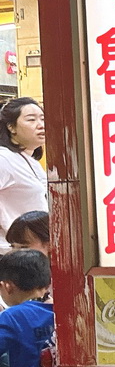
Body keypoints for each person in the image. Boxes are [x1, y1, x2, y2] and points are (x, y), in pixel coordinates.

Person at [0, 98, 47, 252]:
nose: (41, 125)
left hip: (33, 254)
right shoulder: (4, 159)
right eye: (31, 120)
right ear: (11, 127)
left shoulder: (31, 160)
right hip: (10, 255)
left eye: (42, 118)